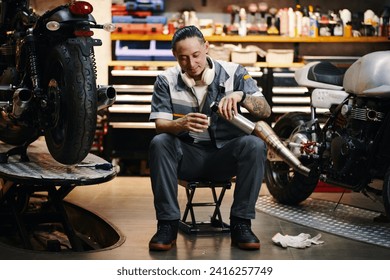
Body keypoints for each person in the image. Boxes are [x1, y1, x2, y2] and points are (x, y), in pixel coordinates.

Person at [148, 25, 271, 251]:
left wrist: (241, 95)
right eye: (183, 58)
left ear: (206, 48)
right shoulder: (165, 80)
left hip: (225, 158)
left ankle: (241, 223)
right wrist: (180, 124)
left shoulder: (235, 73)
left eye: (196, 56)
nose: (191, 64)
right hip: (188, 157)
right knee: (160, 142)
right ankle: (167, 224)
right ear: (175, 56)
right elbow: (160, 125)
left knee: (254, 144)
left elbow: (264, 111)